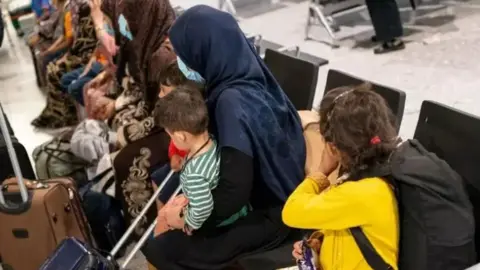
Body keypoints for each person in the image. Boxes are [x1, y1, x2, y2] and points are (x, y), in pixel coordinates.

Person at [141, 5, 306, 269]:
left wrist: (188, 218)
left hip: (268, 215)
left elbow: (233, 191)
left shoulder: (230, 101)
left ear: (203, 51)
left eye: (183, 54)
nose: (181, 62)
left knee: (163, 248)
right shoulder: (250, 73)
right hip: (281, 198)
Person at [282, 84, 399, 269]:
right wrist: (319, 241)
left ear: (333, 147)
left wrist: (320, 172)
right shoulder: (375, 175)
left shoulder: (361, 192)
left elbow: (291, 212)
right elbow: (349, 224)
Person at [87, 0, 177, 235]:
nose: (123, 24)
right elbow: (149, 100)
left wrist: (126, 133)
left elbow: (165, 112)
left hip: (177, 128)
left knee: (128, 160)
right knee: (120, 147)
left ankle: (144, 229)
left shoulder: (163, 54)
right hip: (163, 120)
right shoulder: (147, 42)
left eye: (128, 18)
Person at [153, 85, 249, 236]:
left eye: (170, 136)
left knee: (161, 227)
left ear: (180, 136)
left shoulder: (194, 175)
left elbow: (203, 207)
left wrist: (189, 224)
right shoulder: (213, 140)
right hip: (235, 209)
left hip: (219, 224)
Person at [31, 3, 98, 129]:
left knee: (56, 70)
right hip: (81, 52)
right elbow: (74, 40)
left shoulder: (87, 11)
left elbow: (76, 41)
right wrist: (64, 55)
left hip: (87, 54)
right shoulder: (73, 11)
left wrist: (58, 53)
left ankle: (66, 114)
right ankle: (57, 112)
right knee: (52, 68)